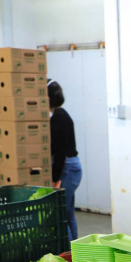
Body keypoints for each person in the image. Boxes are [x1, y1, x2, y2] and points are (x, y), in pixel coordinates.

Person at [48, 79, 81, 240]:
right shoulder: (64, 114)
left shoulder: (56, 120)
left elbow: (60, 152)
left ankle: (68, 253)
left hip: (66, 168)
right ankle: (74, 251)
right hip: (74, 166)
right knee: (68, 213)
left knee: (61, 214)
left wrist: (56, 178)